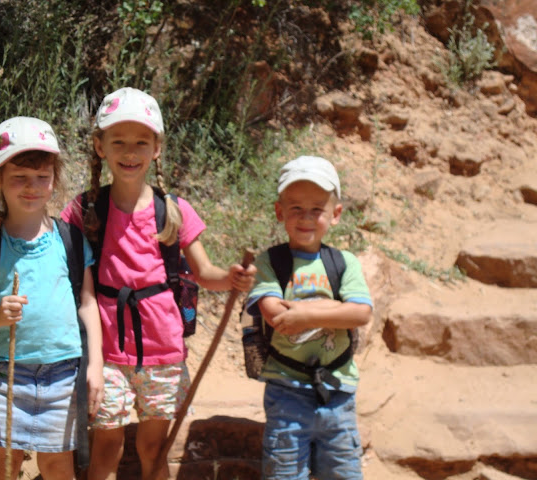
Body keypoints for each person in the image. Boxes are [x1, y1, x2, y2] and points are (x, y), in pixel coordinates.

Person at [58, 87, 257, 480]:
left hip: (163, 350)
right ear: (100, 146)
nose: (130, 152)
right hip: (106, 351)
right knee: (106, 450)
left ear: (157, 148)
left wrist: (232, 278)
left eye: (141, 142)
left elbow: (205, 273)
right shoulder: (85, 210)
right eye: (118, 141)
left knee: (154, 449)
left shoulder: (174, 211)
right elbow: (47, 244)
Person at [0, 116, 104, 480]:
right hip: (1, 374)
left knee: (56, 465)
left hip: (63, 373)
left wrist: (95, 364)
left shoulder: (70, 240)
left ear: (55, 178)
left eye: (42, 176)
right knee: (4, 465)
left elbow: (87, 303)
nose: (32, 186)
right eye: (19, 176)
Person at [245, 156, 373, 480]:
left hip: (338, 391)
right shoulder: (270, 262)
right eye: (296, 208)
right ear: (279, 212)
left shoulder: (344, 263)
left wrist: (305, 313)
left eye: (317, 209)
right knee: (284, 473)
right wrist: (335, 311)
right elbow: (276, 316)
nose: (306, 218)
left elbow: (361, 312)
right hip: (286, 390)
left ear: (336, 214)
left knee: (343, 472)